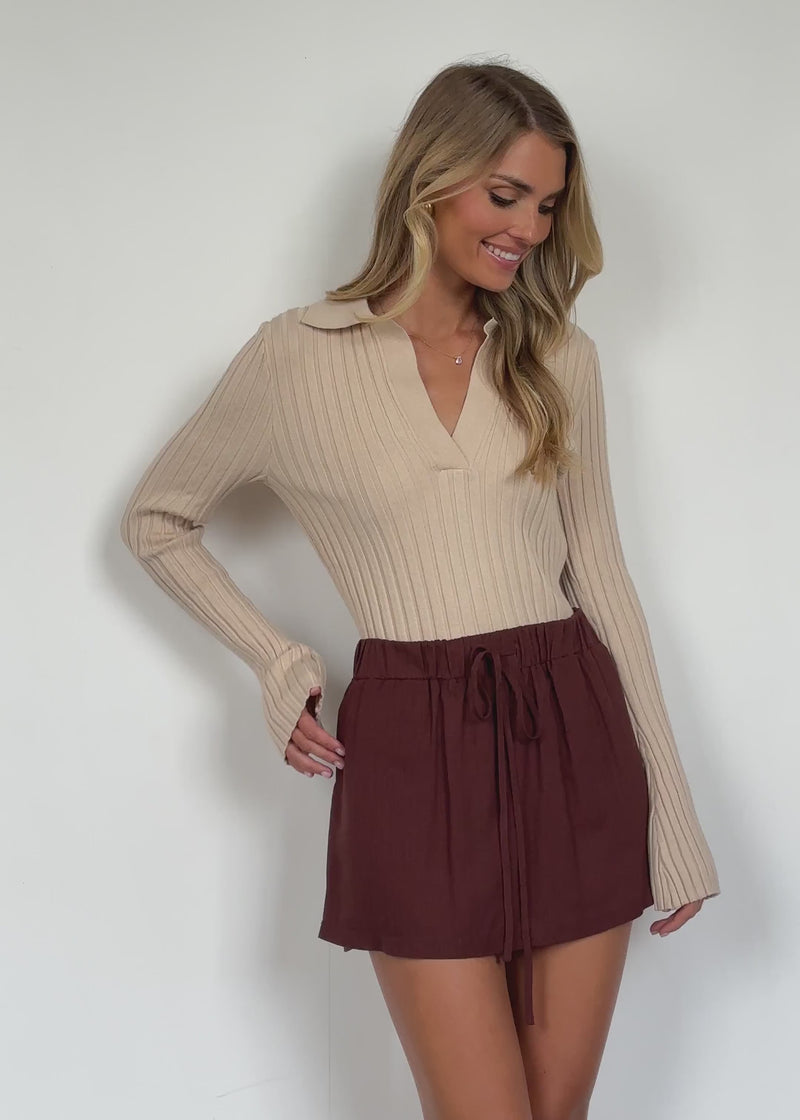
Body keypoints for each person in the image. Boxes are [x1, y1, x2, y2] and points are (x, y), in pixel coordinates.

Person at [120, 60, 720, 1120]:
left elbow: (602, 579)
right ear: (428, 180)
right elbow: (158, 519)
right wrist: (276, 657)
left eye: (546, 205)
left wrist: (671, 815)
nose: (527, 229)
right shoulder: (296, 357)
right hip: (412, 745)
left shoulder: (557, 356)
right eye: (505, 195)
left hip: (572, 730)